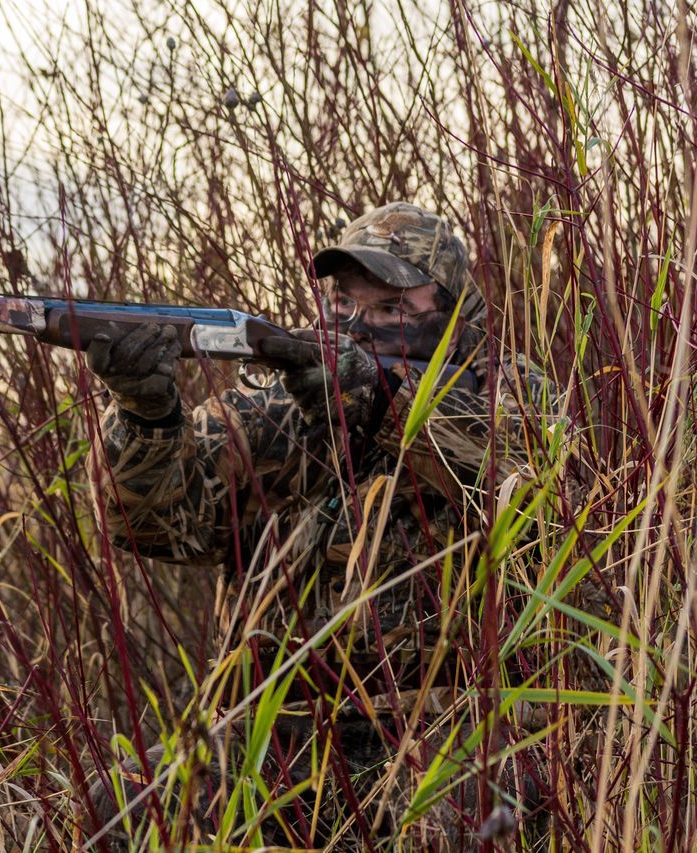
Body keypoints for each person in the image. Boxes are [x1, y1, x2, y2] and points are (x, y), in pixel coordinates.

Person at [85, 202, 551, 845]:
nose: (362, 327)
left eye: (391, 308)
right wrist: (146, 413)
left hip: (448, 730)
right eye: (348, 307)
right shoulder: (284, 402)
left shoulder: (511, 391)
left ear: (454, 311)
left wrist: (380, 404)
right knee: (120, 813)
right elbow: (158, 527)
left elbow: (524, 483)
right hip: (281, 732)